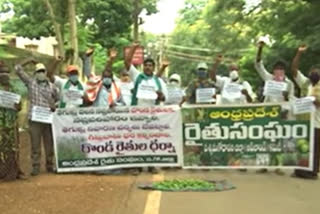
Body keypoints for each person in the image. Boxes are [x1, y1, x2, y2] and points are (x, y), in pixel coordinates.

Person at [126, 43, 168, 174]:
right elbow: (127, 62)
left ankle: (151, 164)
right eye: (146, 65)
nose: (148, 67)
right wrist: (133, 48)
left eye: (150, 66)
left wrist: (160, 95)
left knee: (152, 139)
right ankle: (137, 165)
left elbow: (163, 99)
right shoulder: (137, 76)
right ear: (143, 67)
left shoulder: (158, 81)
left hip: (152, 115)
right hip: (137, 113)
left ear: (154, 68)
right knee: (137, 139)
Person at [255, 41, 295, 175]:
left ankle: (279, 166)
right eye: (277, 68)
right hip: (267, 113)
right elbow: (258, 65)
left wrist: (286, 99)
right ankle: (263, 165)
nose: (279, 70)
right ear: (273, 70)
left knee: (280, 141)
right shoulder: (269, 79)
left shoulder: (288, 84)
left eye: (281, 68)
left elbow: (292, 100)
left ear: (284, 71)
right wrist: (260, 49)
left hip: (282, 114)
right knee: (265, 139)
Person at [15, 61, 58, 176]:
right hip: (35, 119)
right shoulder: (31, 83)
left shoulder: (52, 87)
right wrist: (28, 60)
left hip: (48, 119)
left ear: (45, 72)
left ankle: (49, 164)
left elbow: (58, 100)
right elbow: (18, 69)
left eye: (42, 71)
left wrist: (55, 106)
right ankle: (35, 166)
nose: (41, 74)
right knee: (35, 144)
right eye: (38, 72)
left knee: (49, 144)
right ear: (35, 73)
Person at [291, 45, 320, 180]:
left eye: (316, 72)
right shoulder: (305, 83)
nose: (314, 73)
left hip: (317, 121)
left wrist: (315, 102)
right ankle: (300, 171)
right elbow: (294, 70)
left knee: (314, 148)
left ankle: (312, 172)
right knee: (302, 146)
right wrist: (299, 53)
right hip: (304, 121)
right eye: (312, 71)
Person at [0, 62, 26, 181]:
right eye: (2, 73)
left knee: (13, 148)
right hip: (1, 125)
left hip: (12, 124)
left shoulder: (13, 88)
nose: (4, 75)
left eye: (6, 73)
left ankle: (14, 171)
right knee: (2, 148)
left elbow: (19, 105)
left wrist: (18, 106)